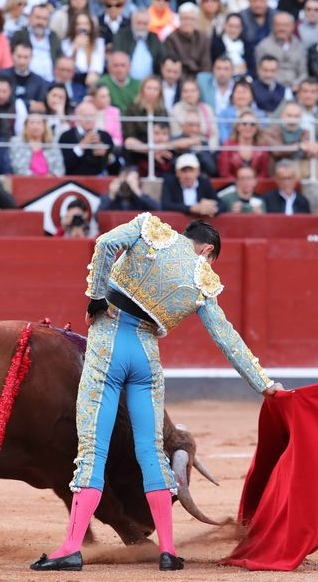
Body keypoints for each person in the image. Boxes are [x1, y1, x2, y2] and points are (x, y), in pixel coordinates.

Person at [30, 215, 283, 573]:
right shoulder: (202, 280)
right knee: (152, 453)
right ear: (207, 249)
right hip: (146, 357)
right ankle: (167, 550)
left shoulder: (150, 229)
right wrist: (264, 384)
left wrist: (96, 298)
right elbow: (227, 338)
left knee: (92, 450)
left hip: (108, 343)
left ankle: (72, 547)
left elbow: (103, 245)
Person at [59, 101, 117, 176]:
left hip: (100, 181)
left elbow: (116, 169)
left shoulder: (105, 136)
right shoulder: (66, 136)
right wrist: (81, 146)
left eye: (92, 116)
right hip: (74, 181)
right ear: (77, 116)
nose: (89, 119)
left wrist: (107, 155)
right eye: (85, 116)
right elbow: (65, 166)